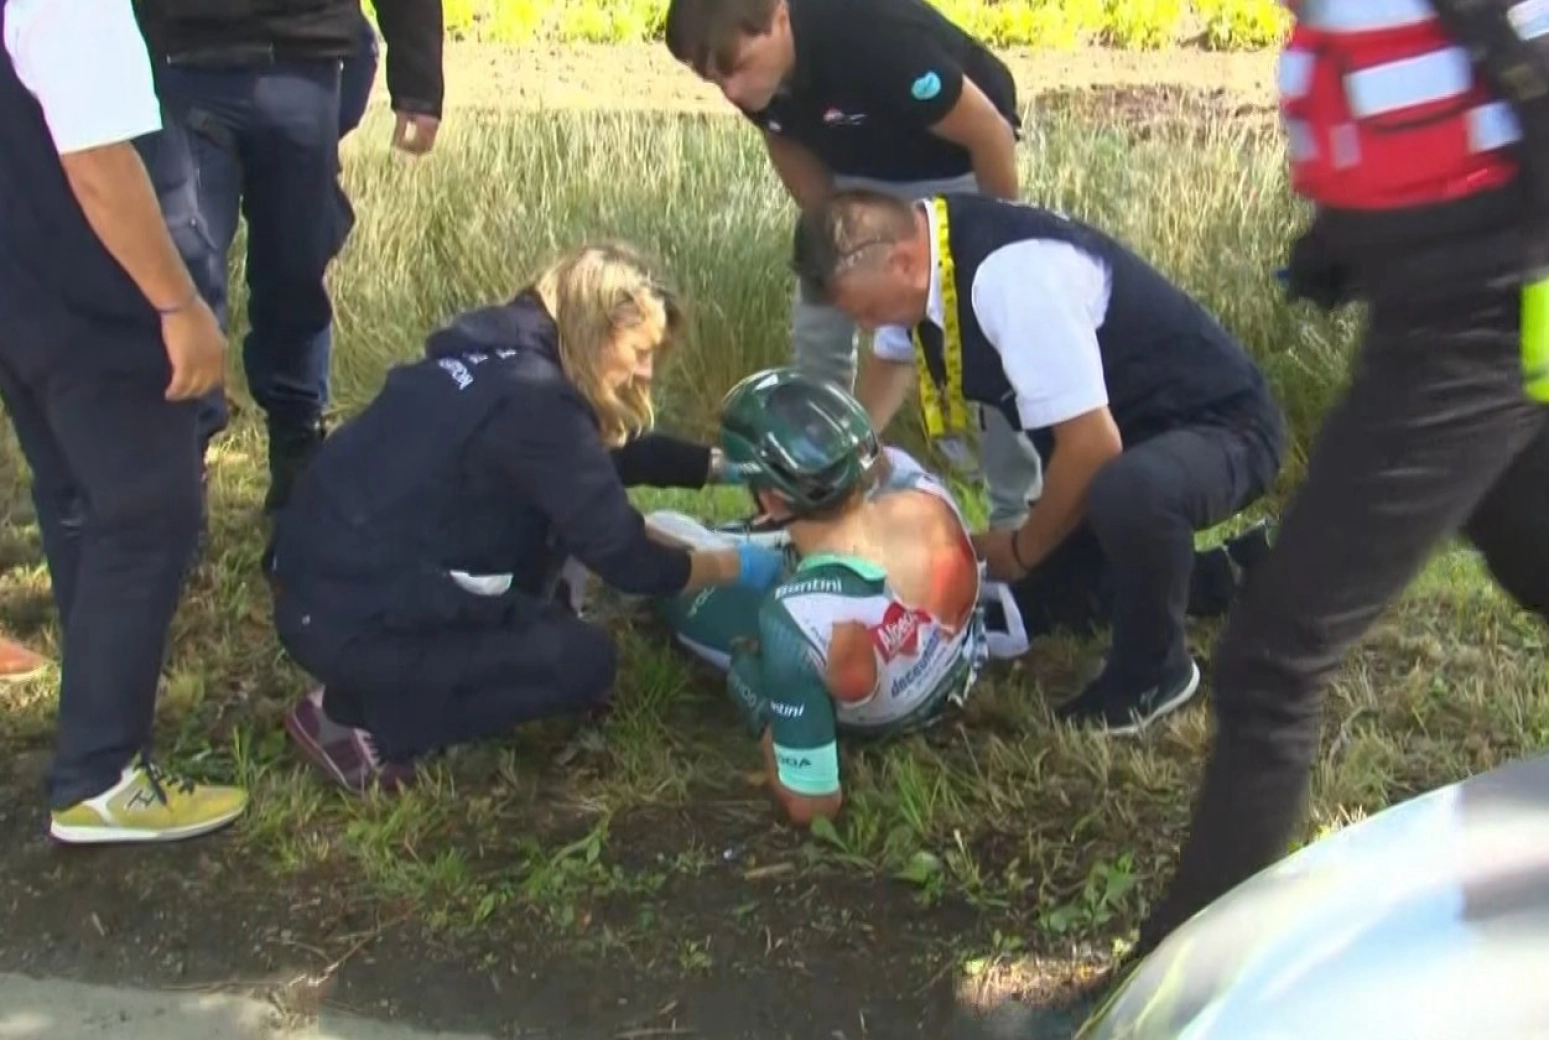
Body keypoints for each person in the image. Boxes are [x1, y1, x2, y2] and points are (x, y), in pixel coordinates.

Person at [1129, 0, 1549, 970]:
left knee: (1271, 660)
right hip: (1461, 319)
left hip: (1473, 329)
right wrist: (1343, 245)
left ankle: (1181, 983)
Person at [265, 243, 786, 795]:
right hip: (344, 616)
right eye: (640, 349)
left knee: (550, 578)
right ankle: (355, 717)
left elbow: (600, 455)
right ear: (595, 330)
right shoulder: (536, 407)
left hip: (323, 578)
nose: (646, 369)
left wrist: (729, 468)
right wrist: (742, 565)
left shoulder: (505, 359)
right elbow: (629, 560)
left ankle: (413, 662)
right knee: (583, 663)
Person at [791, 190, 1288, 735]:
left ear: (903, 263)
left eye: (864, 311)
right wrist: (831, 470)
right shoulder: (924, 259)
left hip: (1217, 428)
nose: (865, 326)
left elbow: (1094, 447)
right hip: (1123, 442)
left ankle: (1154, 671)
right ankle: (1234, 573)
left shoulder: (1011, 280)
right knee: (1045, 602)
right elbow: (890, 361)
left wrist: (1022, 548)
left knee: (1126, 495)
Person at [0, 0, 249, 843]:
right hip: (96, 294)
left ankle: (92, 714)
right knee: (149, 512)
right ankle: (102, 775)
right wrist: (177, 303)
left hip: (23, 286)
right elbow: (99, 161)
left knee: (81, 497)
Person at [663, 0, 1046, 534]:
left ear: (779, 15)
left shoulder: (874, 35)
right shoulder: (748, 70)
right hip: (854, 174)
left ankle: (1017, 515)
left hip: (953, 164)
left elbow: (989, 133)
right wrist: (830, 240)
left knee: (988, 335)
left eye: (736, 68)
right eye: (711, 79)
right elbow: (782, 135)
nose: (729, 91)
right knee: (818, 317)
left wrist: (1000, 250)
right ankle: (815, 487)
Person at [130, 0, 444, 515]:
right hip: (182, 63)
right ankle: (180, 467)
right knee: (187, 265)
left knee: (295, 268)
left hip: (304, 58)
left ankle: (298, 446)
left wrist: (418, 84)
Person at [649, 369, 999, 824]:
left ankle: (748, 549)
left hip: (881, 708)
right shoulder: (923, 489)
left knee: (665, 541)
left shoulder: (794, 618)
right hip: (955, 667)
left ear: (772, 502)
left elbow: (814, 805)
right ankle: (766, 550)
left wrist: (757, 701)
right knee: (745, 553)